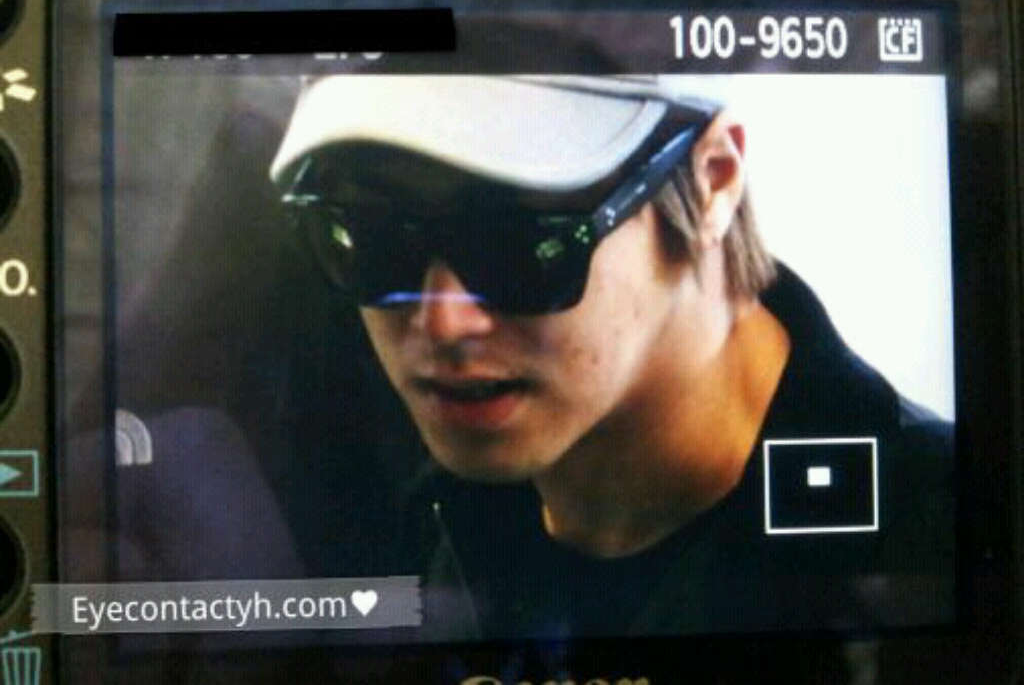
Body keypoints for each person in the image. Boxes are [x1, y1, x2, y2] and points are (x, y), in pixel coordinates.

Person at [268, 73, 954, 641]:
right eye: (368, 238)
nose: (443, 321)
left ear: (713, 180)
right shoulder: (412, 527)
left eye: (517, 240)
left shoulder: (946, 532)